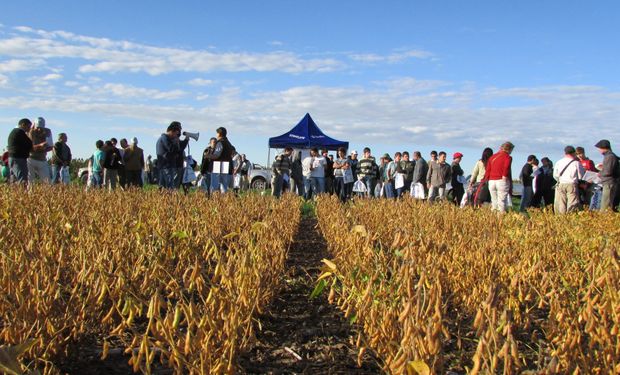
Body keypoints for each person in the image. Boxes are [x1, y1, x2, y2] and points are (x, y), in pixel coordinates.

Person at [7, 118, 45, 184]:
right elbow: (30, 146)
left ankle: (15, 193)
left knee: (14, 180)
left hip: (13, 158)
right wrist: (40, 145)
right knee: (22, 179)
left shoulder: (14, 132)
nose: (29, 129)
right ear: (23, 125)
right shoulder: (20, 133)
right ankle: (21, 193)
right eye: (28, 127)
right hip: (19, 159)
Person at [156, 121, 189, 189]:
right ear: (173, 131)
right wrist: (176, 142)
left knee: (163, 187)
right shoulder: (165, 138)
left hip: (165, 166)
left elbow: (179, 149)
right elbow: (172, 149)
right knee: (169, 187)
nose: (177, 135)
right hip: (166, 167)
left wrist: (186, 140)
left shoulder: (164, 138)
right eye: (177, 133)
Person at [553, 146, 585, 214]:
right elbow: (581, 176)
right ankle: (570, 216)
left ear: (565, 153)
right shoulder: (576, 163)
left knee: (561, 203)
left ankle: (562, 218)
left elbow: (555, 175)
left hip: (561, 184)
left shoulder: (559, 162)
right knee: (572, 202)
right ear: (574, 153)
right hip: (572, 184)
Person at [484, 142, 514, 213]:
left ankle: (493, 216)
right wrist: (504, 176)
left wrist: (487, 178)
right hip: (501, 181)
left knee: (494, 200)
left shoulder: (492, 157)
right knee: (501, 201)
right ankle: (500, 218)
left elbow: (488, 169)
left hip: (491, 181)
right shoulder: (508, 157)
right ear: (509, 149)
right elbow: (506, 167)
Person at [203, 127, 235, 193]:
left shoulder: (220, 143)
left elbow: (217, 155)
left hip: (218, 165)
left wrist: (207, 156)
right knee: (224, 185)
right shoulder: (228, 143)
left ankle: (214, 200)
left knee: (214, 185)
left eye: (217, 133)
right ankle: (224, 200)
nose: (216, 135)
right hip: (226, 165)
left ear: (219, 134)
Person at [595, 139, 619, 212]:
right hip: (610, 183)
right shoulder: (610, 156)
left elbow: (608, 171)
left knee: (606, 206)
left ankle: (605, 221)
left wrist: (600, 173)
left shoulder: (609, 156)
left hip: (609, 183)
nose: (598, 150)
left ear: (603, 147)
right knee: (608, 204)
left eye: (599, 148)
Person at [27, 117, 53, 184]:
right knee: (30, 181)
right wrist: (40, 146)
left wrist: (44, 149)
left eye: (41, 128)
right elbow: (28, 148)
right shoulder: (29, 132)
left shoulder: (47, 132)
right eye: (37, 127)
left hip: (42, 159)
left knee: (47, 182)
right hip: (30, 159)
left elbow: (51, 146)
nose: (39, 129)